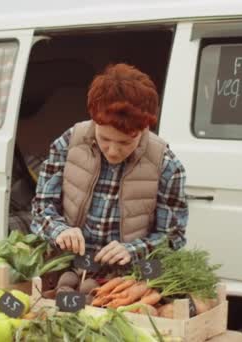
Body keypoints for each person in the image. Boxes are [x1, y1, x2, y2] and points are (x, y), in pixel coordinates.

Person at [30, 63, 188, 266]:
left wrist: (133, 250)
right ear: (94, 119)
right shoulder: (69, 143)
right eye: (104, 138)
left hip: (129, 276)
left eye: (125, 142)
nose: (113, 151)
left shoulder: (167, 166)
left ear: (144, 128)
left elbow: (173, 238)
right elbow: (42, 209)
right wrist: (60, 230)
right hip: (69, 266)